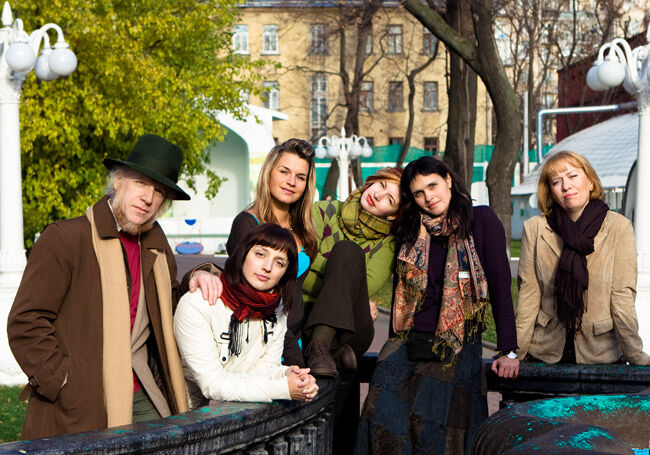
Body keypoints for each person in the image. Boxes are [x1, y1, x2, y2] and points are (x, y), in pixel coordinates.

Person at [7, 134, 222, 439]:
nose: (148, 197)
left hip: (144, 390)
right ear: (118, 181)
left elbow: (166, 308)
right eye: (141, 183)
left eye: (159, 191)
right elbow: (26, 322)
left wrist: (197, 277)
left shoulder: (157, 246)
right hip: (80, 400)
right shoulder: (66, 238)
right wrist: (63, 381)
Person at [356, 156, 519, 455]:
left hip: (456, 341)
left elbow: (500, 286)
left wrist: (508, 349)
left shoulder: (481, 220)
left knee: (437, 432)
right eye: (418, 193)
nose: (428, 197)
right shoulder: (410, 229)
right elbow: (401, 292)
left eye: (432, 186)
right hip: (407, 341)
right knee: (380, 417)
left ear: (448, 180)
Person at [516, 150, 650, 365]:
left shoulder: (618, 227)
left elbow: (622, 297)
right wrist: (514, 353)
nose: (566, 186)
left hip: (600, 353)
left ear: (590, 182)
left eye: (572, 176)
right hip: (545, 351)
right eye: (556, 182)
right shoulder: (535, 228)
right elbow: (528, 296)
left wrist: (634, 354)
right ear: (550, 191)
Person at [175, 223, 318, 406]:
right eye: (260, 254)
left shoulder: (278, 308)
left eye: (279, 262)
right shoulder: (199, 303)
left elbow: (263, 367)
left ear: (285, 273)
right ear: (243, 254)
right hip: (191, 413)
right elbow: (212, 384)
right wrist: (282, 388)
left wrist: (286, 375)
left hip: (239, 411)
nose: (267, 267)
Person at [303, 167, 403, 377]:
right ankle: (334, 353)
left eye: (389, 199)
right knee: (346, 254)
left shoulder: (388, 244)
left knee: (347, 251)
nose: (378, 195)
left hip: (352, 330)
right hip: (304, 313)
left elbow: (364, 287)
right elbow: (301, 269)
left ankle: (319, 346)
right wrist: (345, 282)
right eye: (382, 185)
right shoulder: (324, 210)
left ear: (393, 215)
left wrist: (327, 270)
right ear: (372, 182)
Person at [226, 138, 318, 367]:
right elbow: (255, 298)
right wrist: (293, 358)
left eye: (300, 177)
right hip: (264, 345)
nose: (291, 182)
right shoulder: (247, 224)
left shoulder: (305, 232)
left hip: (296, 341)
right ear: (269, 173)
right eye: (284, 171)